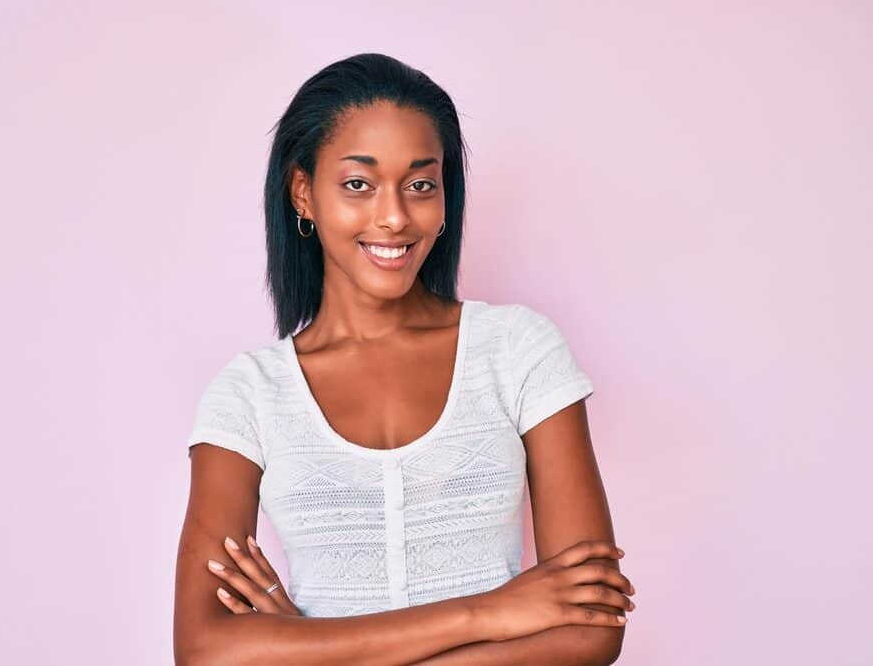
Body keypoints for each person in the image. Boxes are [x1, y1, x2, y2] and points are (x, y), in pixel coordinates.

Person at [173, 53, 635, 665]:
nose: (393, 217)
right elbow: (205, 651)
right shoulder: (250, 394)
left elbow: (593, 625)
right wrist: (489, 612)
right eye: (358, 184)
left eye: (420, 184)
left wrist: (309, 653)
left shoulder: (518, 350)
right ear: (303, 192)